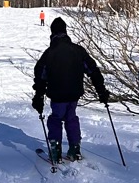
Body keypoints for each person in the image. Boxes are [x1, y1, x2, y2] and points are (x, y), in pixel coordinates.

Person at [32, 16, 108, 163]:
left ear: (52, 33)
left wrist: (38, 97)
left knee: (55, 119)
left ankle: (56, 151)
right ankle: (75, 149)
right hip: (74, 94)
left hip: (57, 94)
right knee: (71, 118)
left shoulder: (49, 53)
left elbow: (40, 75)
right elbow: (93, 70)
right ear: (66, 32)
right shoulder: (78, 51)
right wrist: (101, 90)